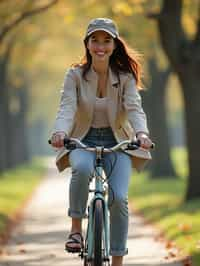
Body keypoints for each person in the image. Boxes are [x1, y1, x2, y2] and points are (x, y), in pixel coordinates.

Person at [50, 18, 153, 266]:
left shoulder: (125, 77)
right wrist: (60, 133)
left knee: (118, 198)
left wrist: (141, 134)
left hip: (117, 142)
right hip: (82, 139)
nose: (100, 46)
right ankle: (76, 229)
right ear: (86, 44)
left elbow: (134, 108)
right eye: (95, 40)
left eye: (106, 41)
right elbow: (67, 108)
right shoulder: (74, 75)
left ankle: (117, 260)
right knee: (83, 169)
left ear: (115, 45)